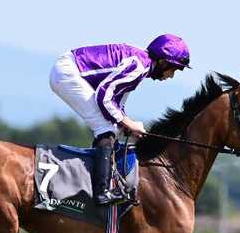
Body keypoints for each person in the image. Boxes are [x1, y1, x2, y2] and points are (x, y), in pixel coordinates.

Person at [49, 34, 191, 205]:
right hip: (67, 72)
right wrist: (127, 123)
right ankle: (101, 192)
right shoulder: (140, 66)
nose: (171, 76)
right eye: (174, 69)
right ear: (162, 62)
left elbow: (116, 104)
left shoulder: (142, 64)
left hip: (70, 68)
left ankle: (100, 179)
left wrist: (125, 124)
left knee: (111, 127)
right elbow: (104, 96)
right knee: (105, 128)